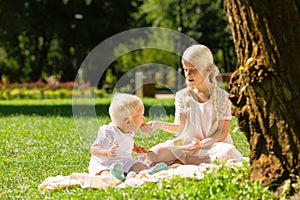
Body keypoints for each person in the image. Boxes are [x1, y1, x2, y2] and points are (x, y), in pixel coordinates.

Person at [141, 44, 243, 166]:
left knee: (228, 152)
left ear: (208, 68)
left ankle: (183, 161)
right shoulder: (181, 96)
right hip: (186, 143)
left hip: (212, 145)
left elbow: (221, 134)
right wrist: (158, 124)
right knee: (154, 154)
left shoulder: (222, 97)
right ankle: (187, 160)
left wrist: (201, 144)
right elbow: (180, 127)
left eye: (193, 69)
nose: (188, 74)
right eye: (185, 69)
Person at [88, 93, 168, 181]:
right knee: (104, 171)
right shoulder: (108, 132)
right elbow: (94, 149)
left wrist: (135, 148)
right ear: (128, 122)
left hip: (124, 161)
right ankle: (112, 176)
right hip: (106, 162)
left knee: (137, 164)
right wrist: (106, 152)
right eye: (140, 116)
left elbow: (126, 141)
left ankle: (147, 172)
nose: (144, 118)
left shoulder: (128, 131)